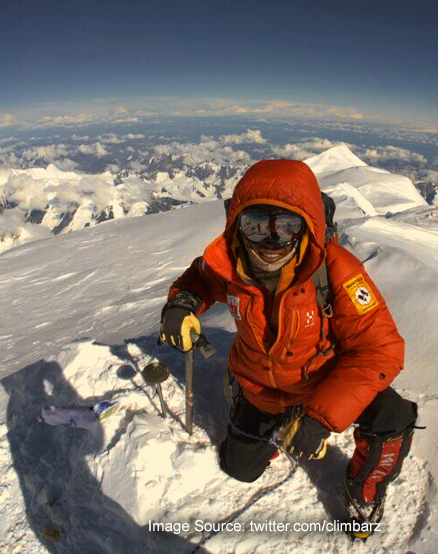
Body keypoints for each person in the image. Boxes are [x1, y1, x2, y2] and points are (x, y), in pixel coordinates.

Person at [158, 159, 418, 532]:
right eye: (257, 226)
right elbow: (196, 281)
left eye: (287, 227)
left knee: (392, 416)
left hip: (320, 384)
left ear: (308, 227)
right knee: (240, 469)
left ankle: (365, 491)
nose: (272, 241)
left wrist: (319, 418)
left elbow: (380, 348)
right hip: (261, 389)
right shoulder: (227, 263)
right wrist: (181, 305)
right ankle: (253, 405)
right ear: (237, 226)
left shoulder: (335, 269)